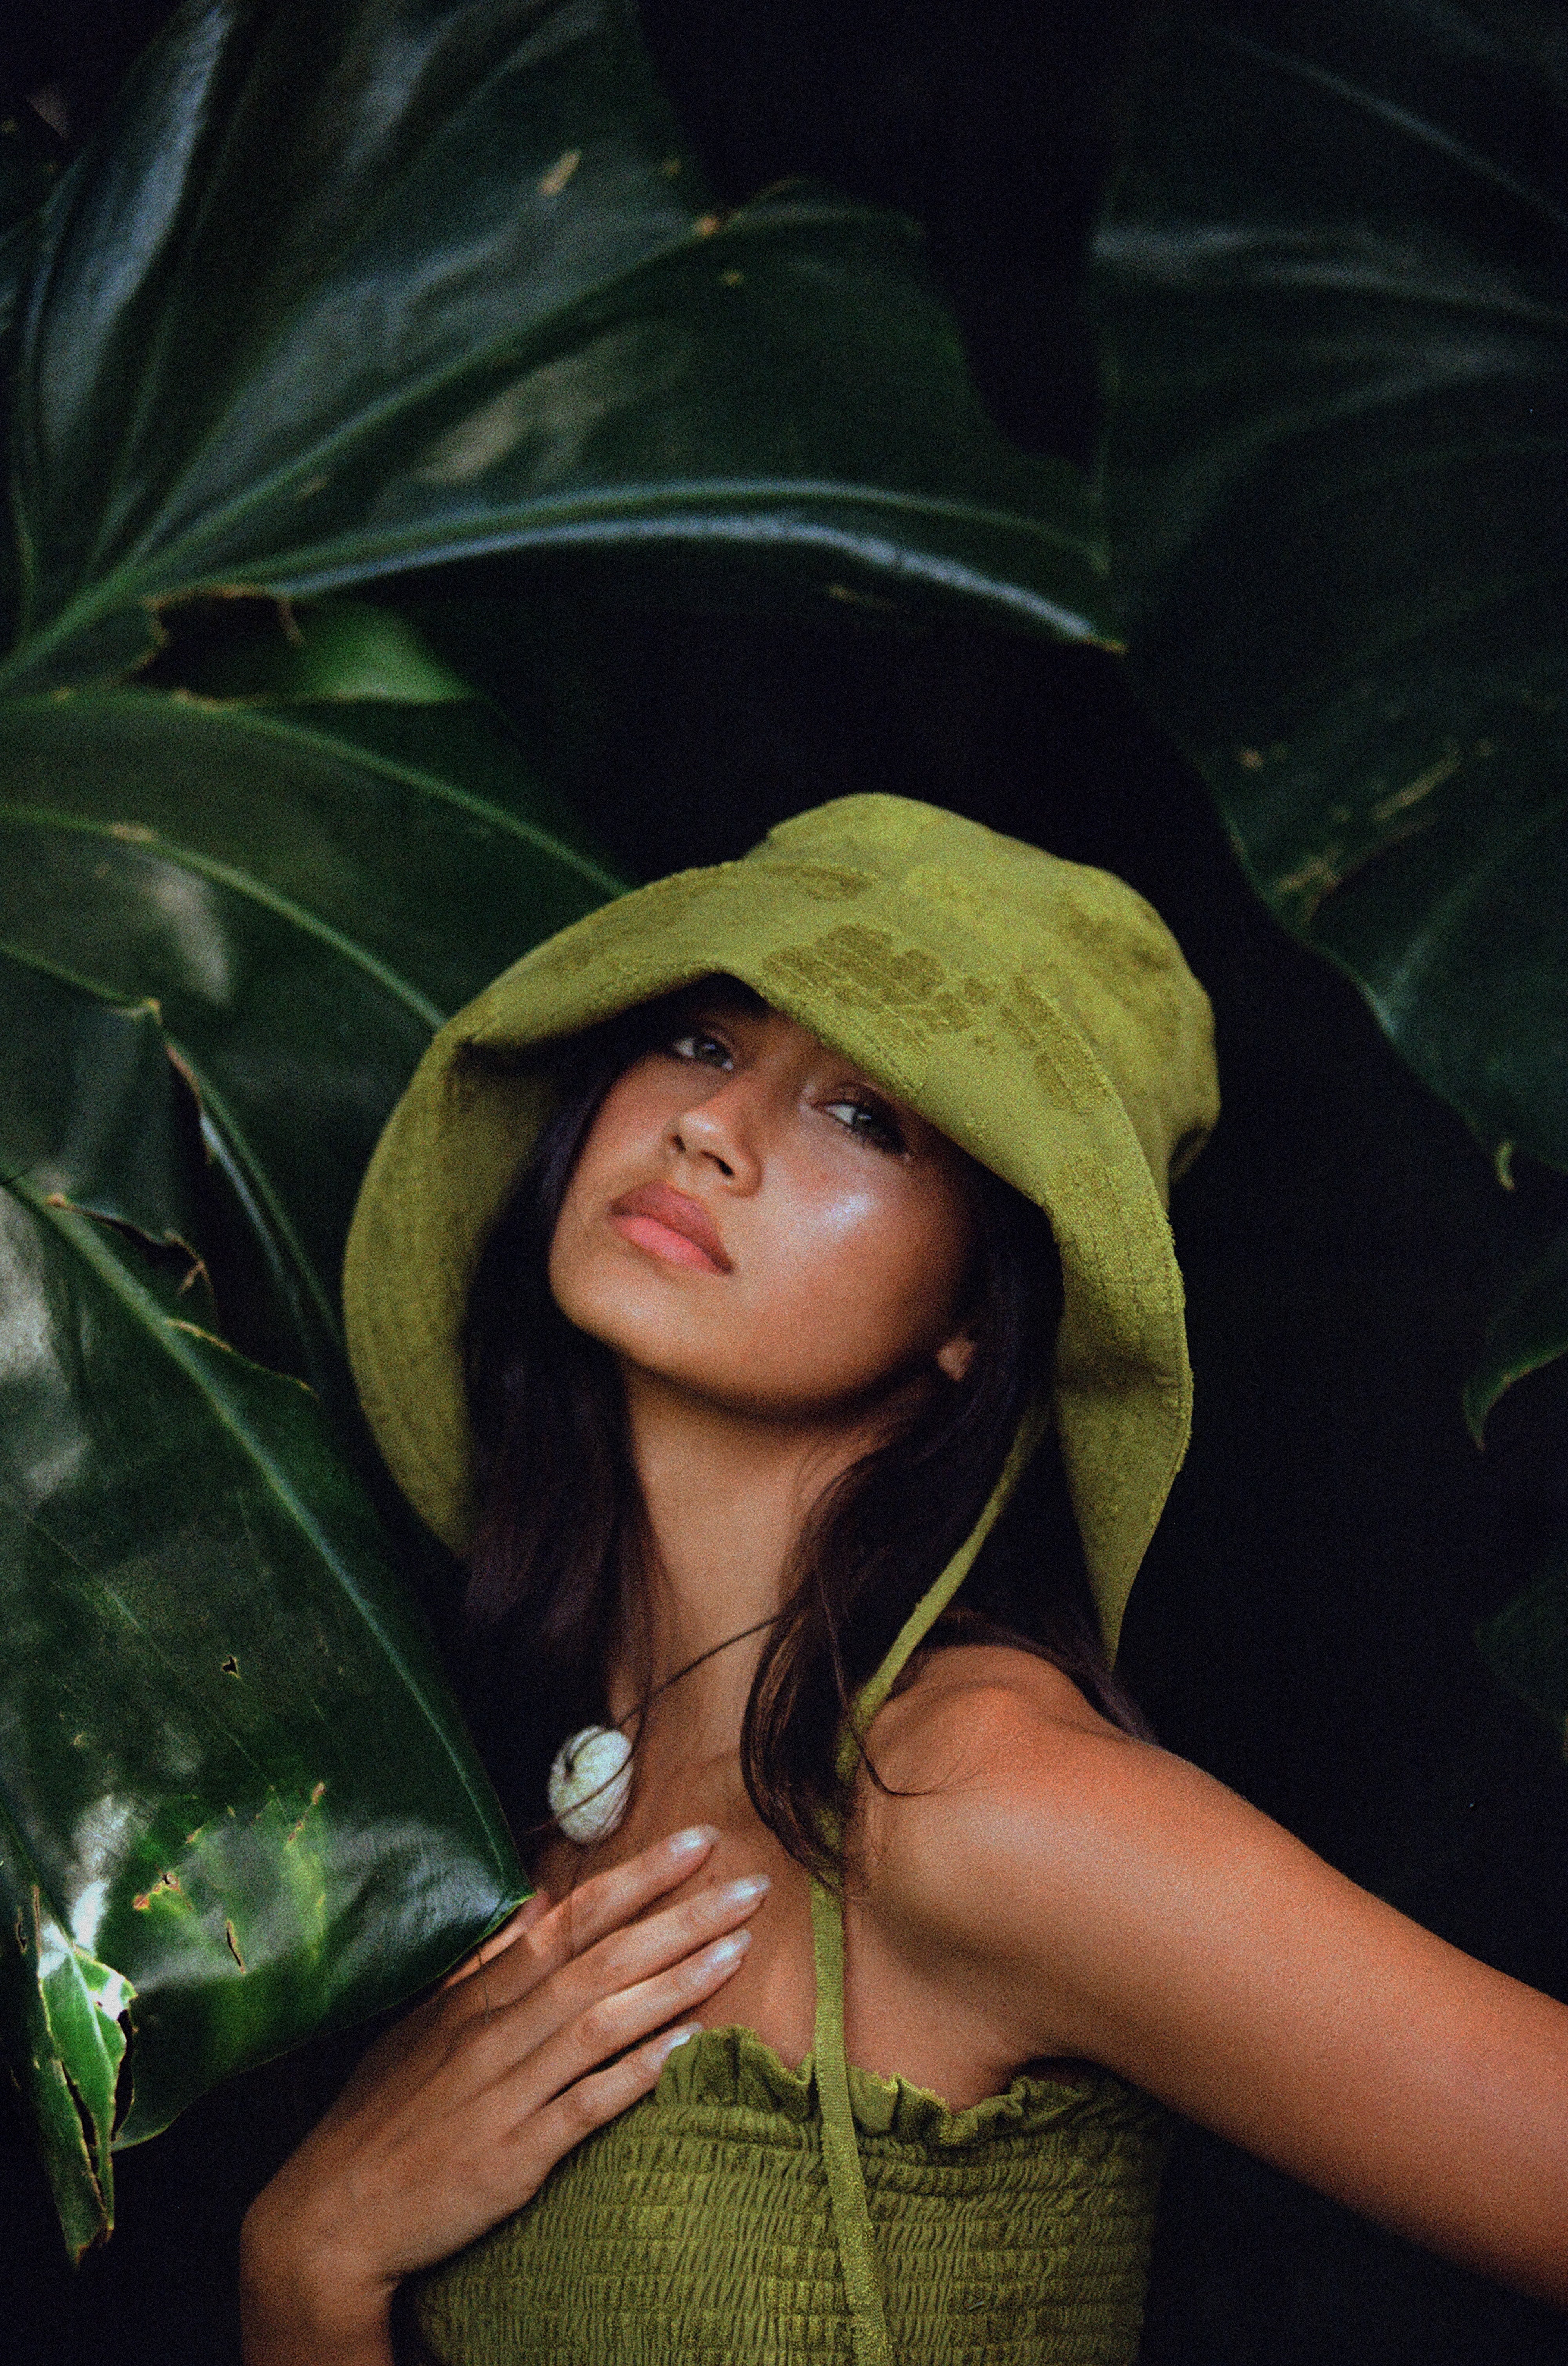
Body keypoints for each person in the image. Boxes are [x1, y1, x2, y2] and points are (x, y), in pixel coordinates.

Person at [239, 796, 1568, 2366]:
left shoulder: (974, 1805)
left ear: (977, 1314)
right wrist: (306, 2268)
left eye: (870, 1117)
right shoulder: (550, 1834)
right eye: (701, 1042)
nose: (709, 1128)